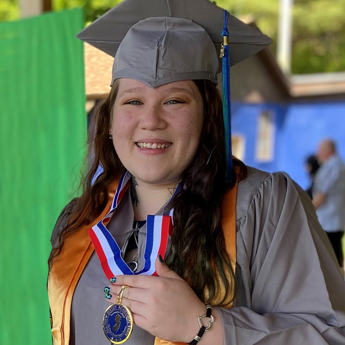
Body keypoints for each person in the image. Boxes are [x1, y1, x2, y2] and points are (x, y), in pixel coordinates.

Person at [47, 0, 345, 344]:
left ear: (207, 118)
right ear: (110, 122)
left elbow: (332, 336)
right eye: (133, 101)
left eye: (175, 100)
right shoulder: (80, 220)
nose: (151, 120)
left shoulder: (263, 206)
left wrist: (203, 326)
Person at [313, 139, 345, 268]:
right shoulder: (333, 166)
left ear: (328, 150)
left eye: (319, 150)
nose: (317, 154)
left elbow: (322, 194)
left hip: (330, 219)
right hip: (330, 218)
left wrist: (307, 208)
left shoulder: (334, 167)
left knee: (332, 256)